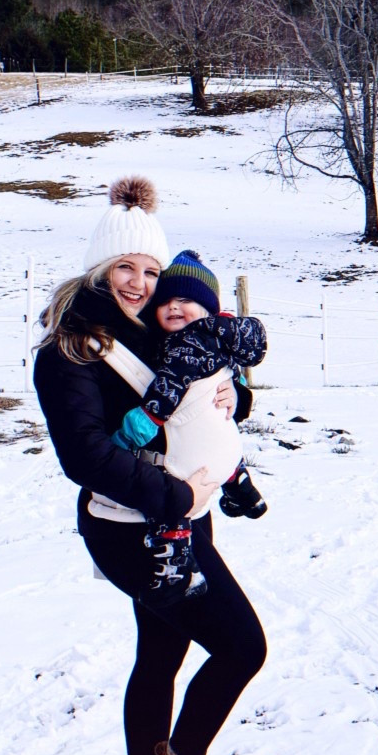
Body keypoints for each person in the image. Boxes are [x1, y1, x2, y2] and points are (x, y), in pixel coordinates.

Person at [33, 177, 268, 755]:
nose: (138, 283)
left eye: (148, 270)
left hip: (178, 519)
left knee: (161, 657)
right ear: (98, 270)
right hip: (133, 529)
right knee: (241, 648)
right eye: (123, 269)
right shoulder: (69, 352)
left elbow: (200, 393)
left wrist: (236, 392)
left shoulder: (152, 328)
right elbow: (86, 456)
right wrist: (173, 492)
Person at [115, 250, 270, 595]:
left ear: (208, 309)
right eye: (166, 300)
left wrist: (144, 422)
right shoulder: (220, 337)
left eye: (185, 300)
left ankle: (175, 562)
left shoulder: (187, 341)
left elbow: (169, 386)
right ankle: (239, 485)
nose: (173, 307)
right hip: (220, 451)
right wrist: (236, 385)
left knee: (173, 501)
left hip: (181, 470)